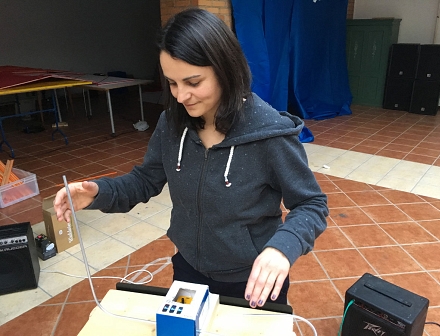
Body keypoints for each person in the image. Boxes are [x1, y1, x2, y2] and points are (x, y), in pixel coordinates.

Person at [54, 7, 328, 309]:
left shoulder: (270, 134)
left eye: (193, 82)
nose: (181, 96)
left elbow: (311, 204)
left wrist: (282, 248)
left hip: (252, 280)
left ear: (225, 70)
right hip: (188, 269)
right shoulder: (172, 125)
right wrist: (98, 193)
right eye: (172, 83)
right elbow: (146, 180)